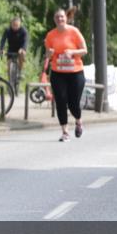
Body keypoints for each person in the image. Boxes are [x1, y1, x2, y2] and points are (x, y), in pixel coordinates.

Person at [44, 8, 88, 142]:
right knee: (61, 101)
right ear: (54, 20)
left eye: (62, 17)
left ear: (66, 18)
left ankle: (79, 122)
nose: (60, 19)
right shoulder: (50, 35)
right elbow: (47, 54)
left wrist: (72, 52)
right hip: (58, 73)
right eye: (57, 17)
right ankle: (65, 132)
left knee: (74, 103)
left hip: (75, 72)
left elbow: (85, 50)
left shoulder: (74, 31)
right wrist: (49, 53)